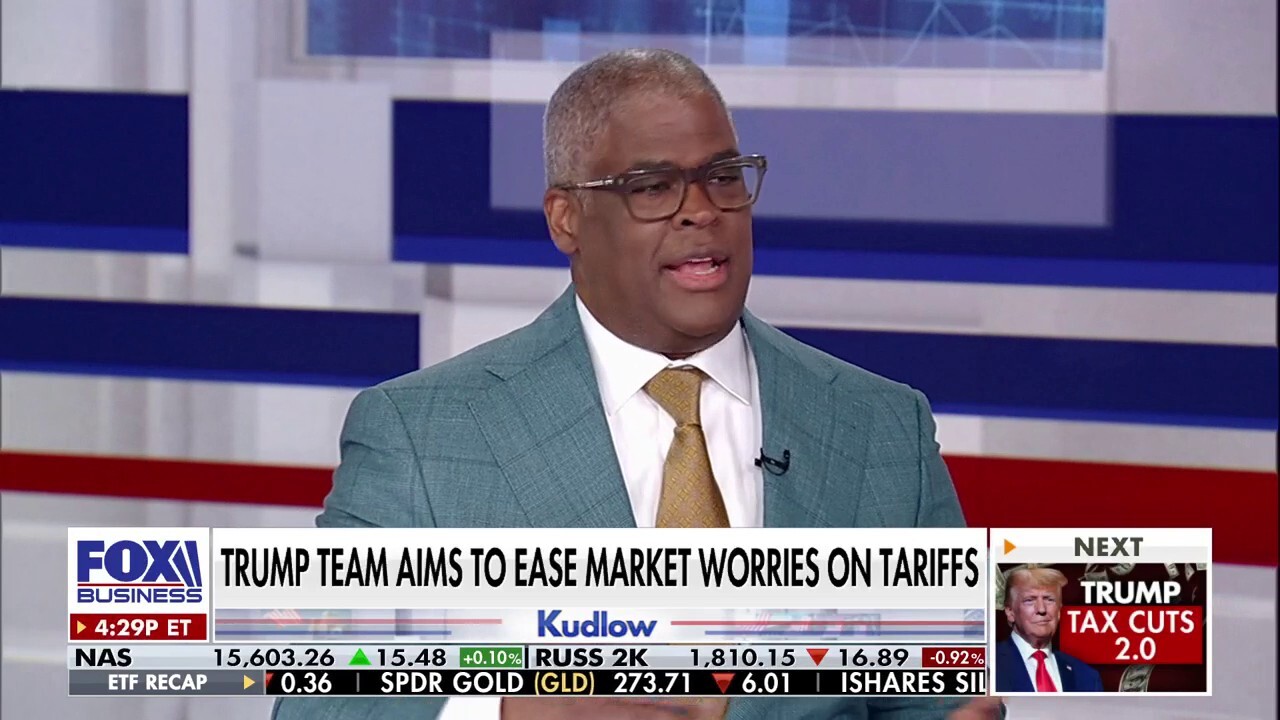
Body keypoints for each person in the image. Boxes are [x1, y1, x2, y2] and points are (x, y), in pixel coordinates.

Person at [275, 48, 1002, 719]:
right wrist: (501, 712)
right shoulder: (421, 436)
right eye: (652, 186)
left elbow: (937, 699)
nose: (701, 210)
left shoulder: (882, 430)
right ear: (567, 219)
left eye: (723, 176)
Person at [995, 567, 1102, 693]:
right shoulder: (988, 665)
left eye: (1049, 599)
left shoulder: (1087, 677)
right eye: (1029, 600)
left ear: (1059, 610)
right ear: (1010, 612)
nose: (1041, 609)